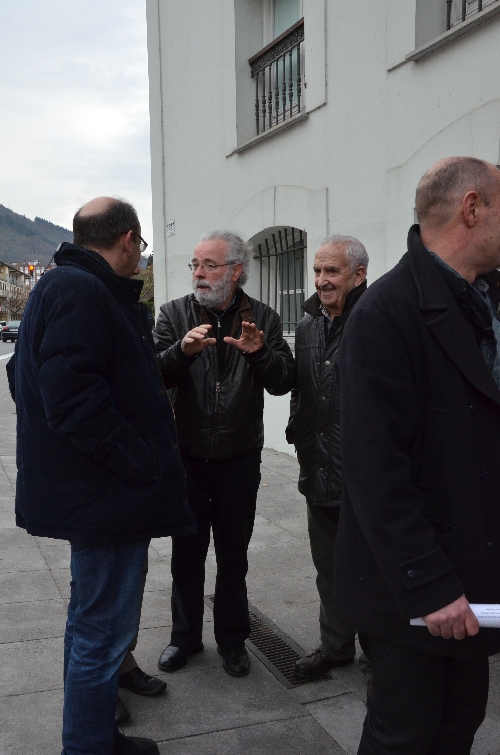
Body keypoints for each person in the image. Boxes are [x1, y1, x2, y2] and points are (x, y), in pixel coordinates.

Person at [7, 197, 196, 755]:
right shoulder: (81, 290)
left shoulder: (63, 284)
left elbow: (21, 374)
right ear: (129, 239)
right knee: (101, 632)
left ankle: (93, 737)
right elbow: (71, 398)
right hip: (105, 497)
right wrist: (137, 460)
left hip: (92, 495)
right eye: (141, 245)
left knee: (89, 622)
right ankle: (89, 747)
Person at [335, 157, 500, 755]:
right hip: (414, 590)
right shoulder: (385, 313)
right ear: (472, 208)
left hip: (476, 575)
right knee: (404, 736)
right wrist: (429, 586)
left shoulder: (486, 301)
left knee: (459, 724)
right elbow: (375, 472)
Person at [154, 230, 294, 677]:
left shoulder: (264, 318)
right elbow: (154, 374)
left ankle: (233, 641)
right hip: (188, 455)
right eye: (195, 264)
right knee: (187, 555)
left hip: (239, 457)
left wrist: (260, 353)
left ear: (236, 270)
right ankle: (184, 638)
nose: (198, 272)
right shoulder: (173, 314)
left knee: (234, 557)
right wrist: (182, 351)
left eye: (208, 265)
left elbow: (283, 381)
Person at [286, 235, 368, 679]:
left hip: (364, 476)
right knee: (328, 568)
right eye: (317, 271)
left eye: (332, 271)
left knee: (373, 572)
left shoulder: (378, 321)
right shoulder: (307, 325)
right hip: (317, 466)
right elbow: (301, 390)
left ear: (358, 275)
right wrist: (298, 432)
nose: (321, 280)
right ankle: (335, 646)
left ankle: (381, 656)